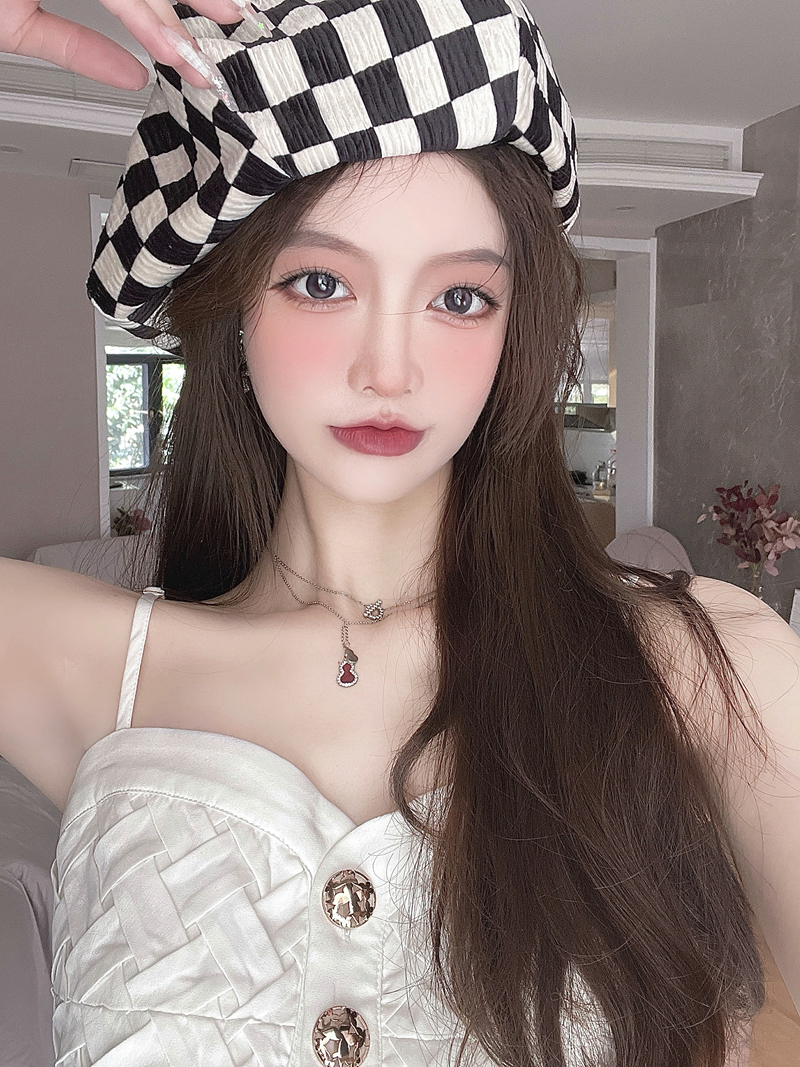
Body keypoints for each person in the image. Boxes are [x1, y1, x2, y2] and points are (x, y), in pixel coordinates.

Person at [1, 2, 799, 1065]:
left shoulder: (702, 660)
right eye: (320, 282)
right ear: (235, 306)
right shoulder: (61, 652)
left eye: (459, 297)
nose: (390, 368)